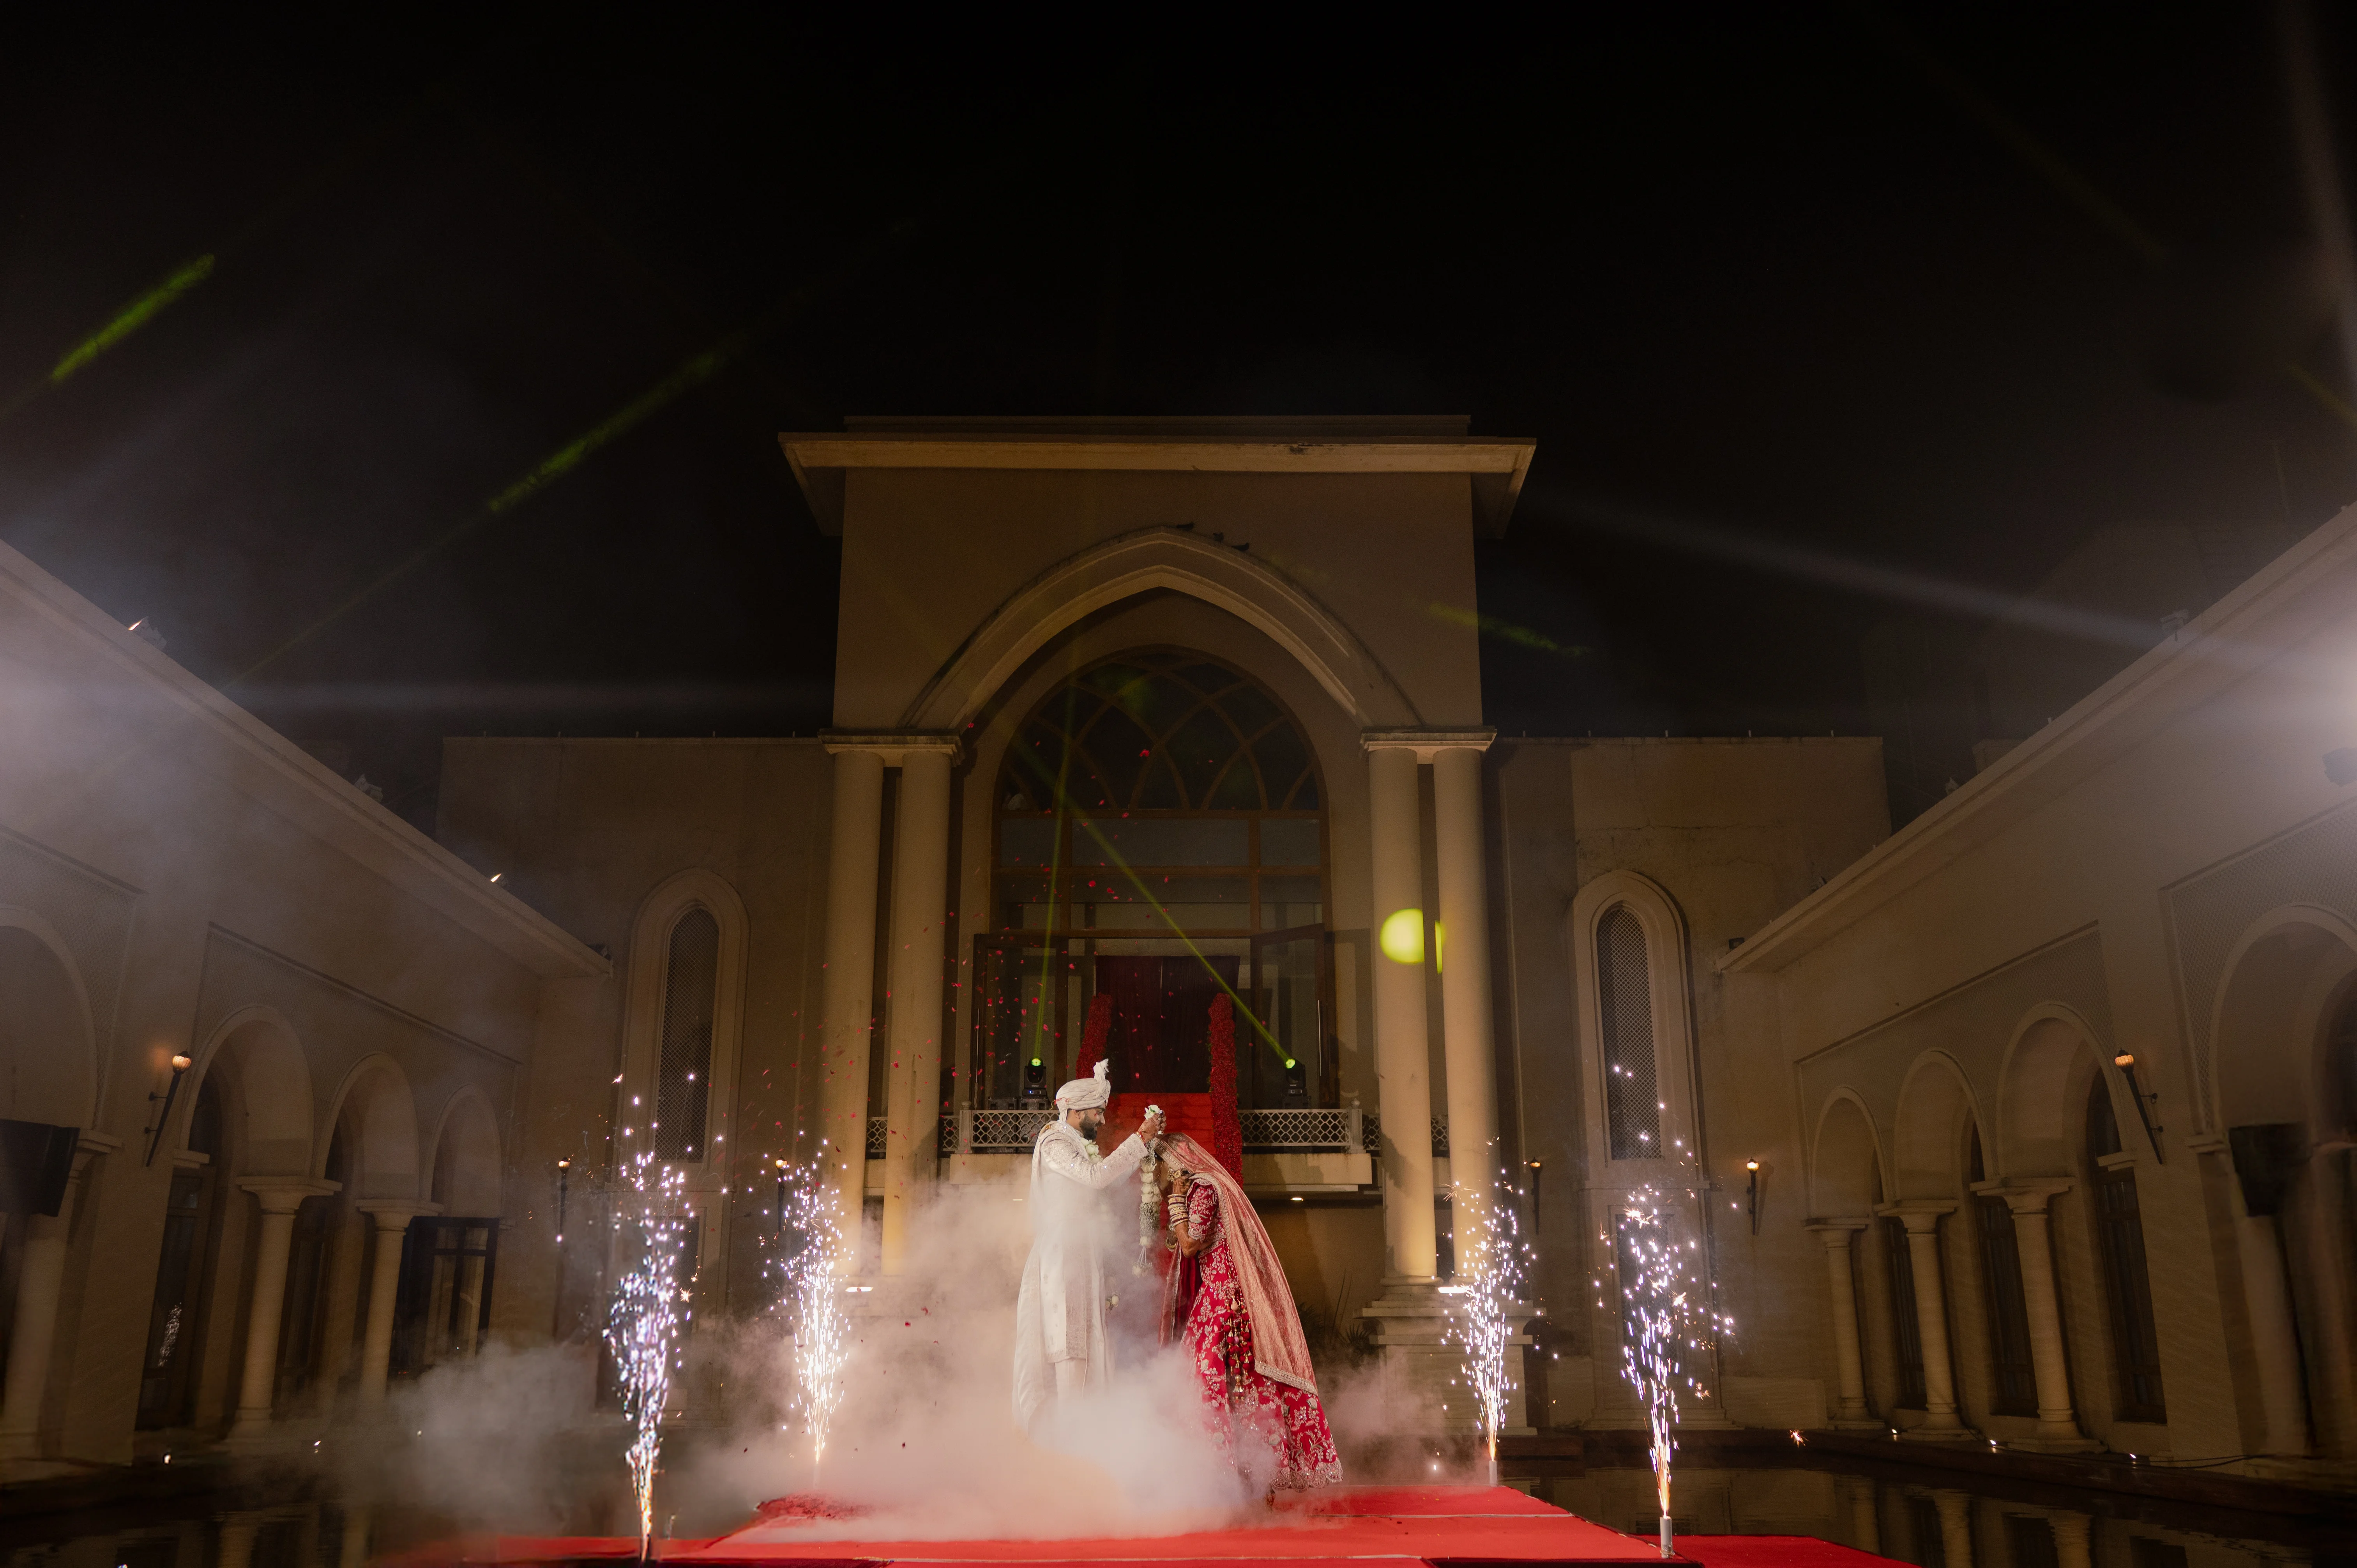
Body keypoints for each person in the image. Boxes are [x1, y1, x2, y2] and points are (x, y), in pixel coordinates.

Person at [1154, 1132, 1342, 1490]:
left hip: (1227, 1300)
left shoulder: (1205, 1189)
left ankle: (1233, 1475)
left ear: (1176, 1163)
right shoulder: (1203, 1189)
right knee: (1219, 1380)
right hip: (1218, 1294)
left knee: (1213, 1377)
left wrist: (1176, 1202)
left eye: (1159, 1165)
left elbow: (1191, 1245)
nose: (1156, 1174)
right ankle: (1228, 1477)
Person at [1012, 1059, 1166, 1434]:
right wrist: (1140, 1139)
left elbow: (1107, 1183)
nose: (1101, 1119)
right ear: (1076, 1110)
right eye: (1097, 1111)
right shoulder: (1053, 1142)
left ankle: (1084, 1435)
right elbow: (1097, 1179)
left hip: (1082, 1252)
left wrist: (1143, 1153)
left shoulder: (1076, 1145)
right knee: (1067, 1341)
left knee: (1086, 1339)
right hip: (1062, 1254)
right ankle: (1067, 1436)